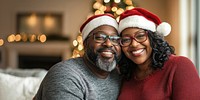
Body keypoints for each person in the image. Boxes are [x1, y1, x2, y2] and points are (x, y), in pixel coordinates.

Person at [117, 7, 200, 100]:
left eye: (140, 36)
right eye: (126, 40)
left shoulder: (180, 65)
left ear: (153, 38)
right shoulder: (126, 74)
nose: (134, 44)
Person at [33, 14, 122, 100]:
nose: (108, 43)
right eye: (99, 37)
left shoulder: (118, 74)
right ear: (85, 43)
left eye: (115, 39)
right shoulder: (65, 75)